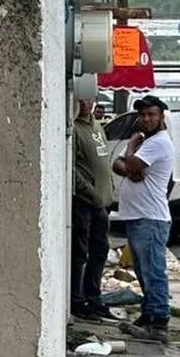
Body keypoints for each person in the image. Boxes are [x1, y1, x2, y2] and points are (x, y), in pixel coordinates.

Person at [113, 97, 177, 341]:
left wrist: (131, 146)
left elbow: (128, 161)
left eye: (151, 114)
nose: (146, 119)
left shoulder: (157, 142)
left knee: (153, 272)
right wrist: (130, 165)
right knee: (143, 271)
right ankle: (148, 315)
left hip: (150, 218)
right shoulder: (146, 142)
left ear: (161, 117)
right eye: (142, 115)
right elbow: (118, 165)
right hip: (138, 216)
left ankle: (159, 322)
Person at [71, 98, 114, 321]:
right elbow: (71, 169)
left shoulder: (96, 126)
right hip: (84, 202)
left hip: (101, 203)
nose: (85, 104)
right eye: (80, 100)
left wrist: (110, 190)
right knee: (80, 252)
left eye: (88, 99)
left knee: (100, 250)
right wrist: (91, 191)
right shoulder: (74, 128)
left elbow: (104, 161)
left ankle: (94, 296)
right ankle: (77, 300)